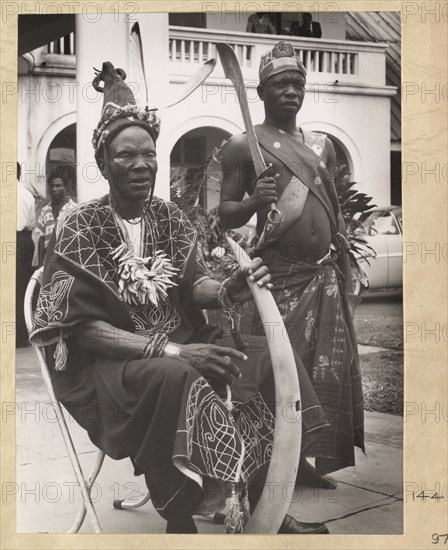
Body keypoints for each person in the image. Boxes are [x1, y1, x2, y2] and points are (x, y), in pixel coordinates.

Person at [29, 61, 331, 534]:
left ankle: (256, 501)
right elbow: (81, 329)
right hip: (109, 370)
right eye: (126, 155)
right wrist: (174, 349)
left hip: (178, 345)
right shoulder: (77, 227)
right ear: (104, 162)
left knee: (261, 357)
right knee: (177, 375)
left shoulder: (170, 217)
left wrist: (229, 286)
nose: (141, 164)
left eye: (148, 153)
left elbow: (195, 287)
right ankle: (180, 517)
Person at [219, 41, 364, 486]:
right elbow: (223, 213)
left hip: (323, 273)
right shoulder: (243, 146)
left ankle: (307, 460)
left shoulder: (322, 146)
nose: (290, 91)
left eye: (297, 84)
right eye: (280, 84)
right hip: (278, 275)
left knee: (326, 369)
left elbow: (333, 208)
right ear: (261, 93)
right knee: (284, 375)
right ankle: (276, 464)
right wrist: (251, 201)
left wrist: (342, 257)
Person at [16, 162, 36, 347]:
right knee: (22, 287)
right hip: (24, 240)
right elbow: (32, 221)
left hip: (14, 239)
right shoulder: (27, 194)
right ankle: (21, 337)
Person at [35, 174, 77, 259]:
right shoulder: (45, 210)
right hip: (49, 259)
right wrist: (40, 265)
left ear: (65, 187)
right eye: (51, 186)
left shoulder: (74, 209)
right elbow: (42, 239)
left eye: (58, 186)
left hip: (68, 258)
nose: (54, 189)